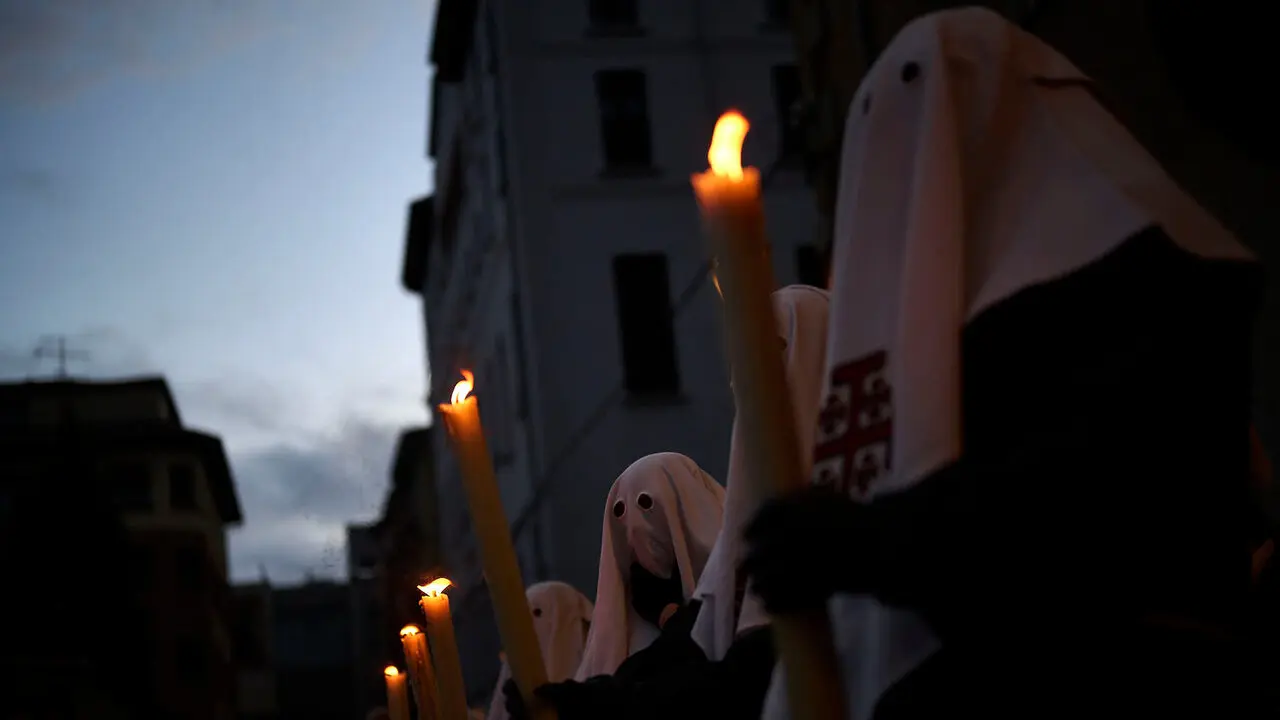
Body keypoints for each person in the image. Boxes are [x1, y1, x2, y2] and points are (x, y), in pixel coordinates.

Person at [741, 7, 1264, 719]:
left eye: (912, 133)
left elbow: (1090, 507)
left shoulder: (1145, 280)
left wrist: (869, 543)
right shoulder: (953, 324)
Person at [504, 452, 724, 719]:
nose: (634, 527)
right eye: (619, 512)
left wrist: (670, 615)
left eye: (647, 503)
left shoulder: (739, 600)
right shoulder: (623, 634)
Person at [486, 581, 594, 720]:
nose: (530, 627)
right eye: (523, 619)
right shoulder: (513, 699)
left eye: (537, 613)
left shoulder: (596, 693)